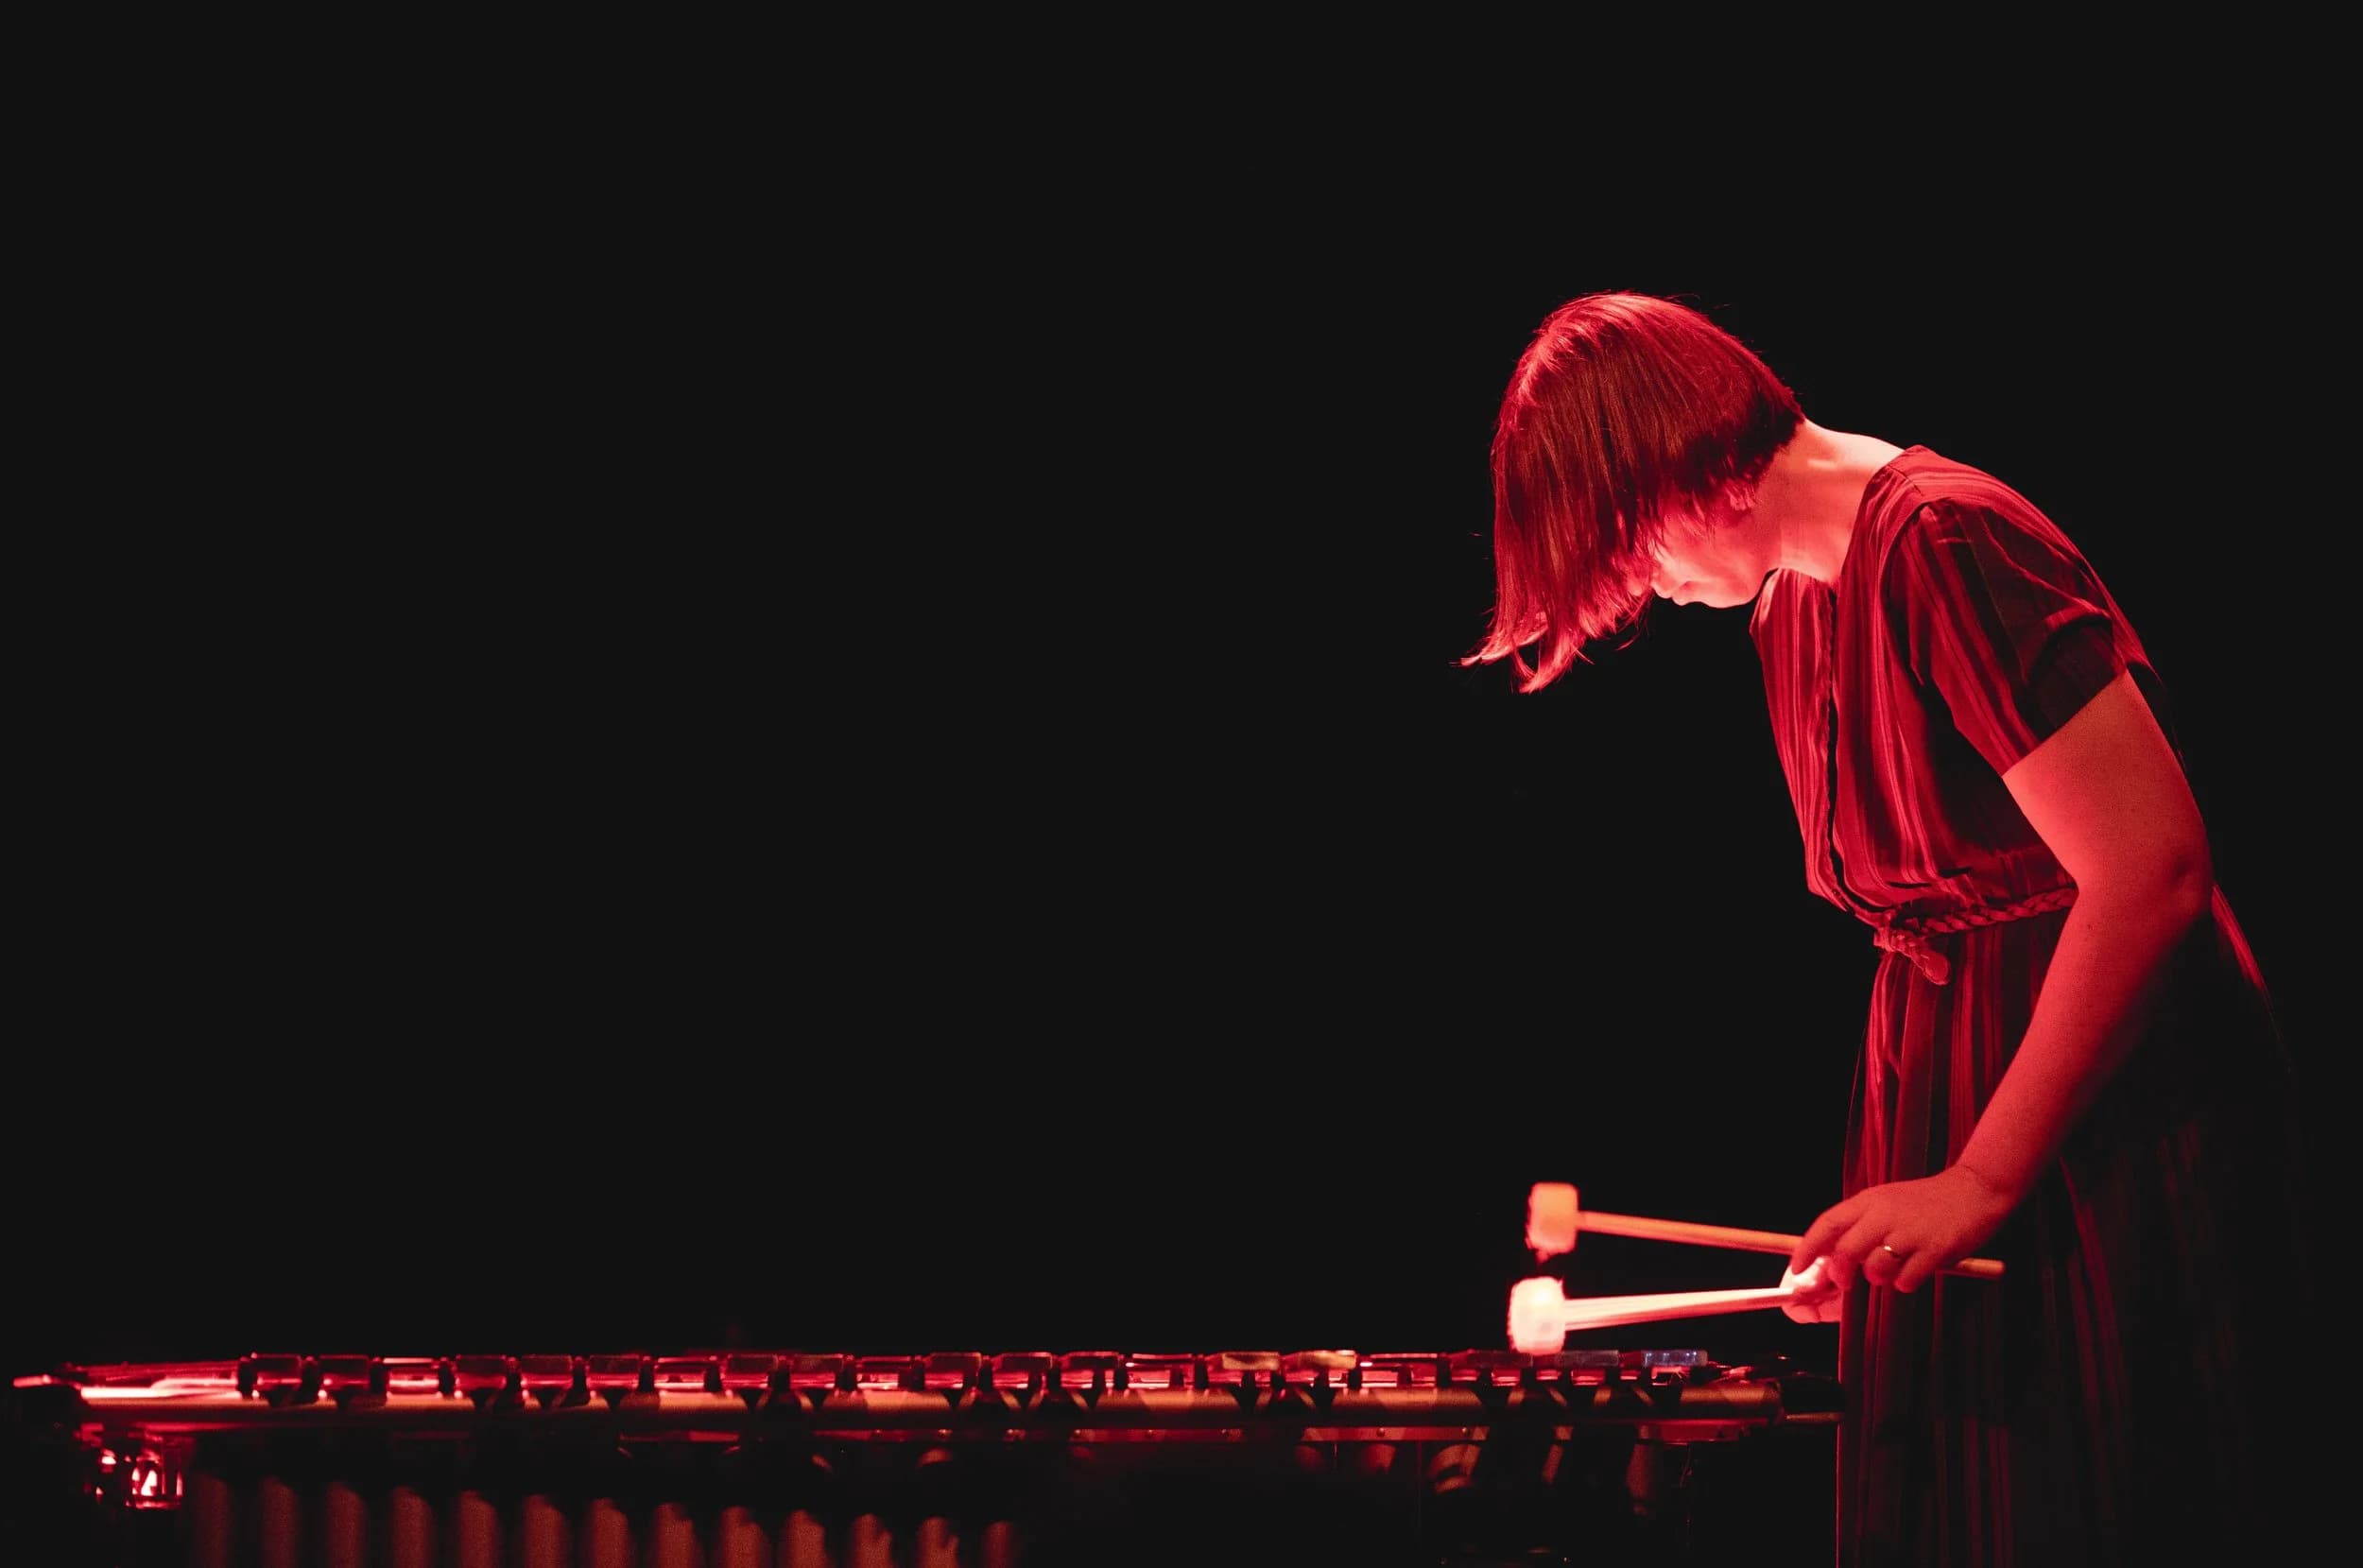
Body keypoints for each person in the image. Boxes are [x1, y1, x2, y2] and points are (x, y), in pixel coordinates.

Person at [1465, 291, 2315, 1565]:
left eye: (1627, 547)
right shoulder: (1795, 602)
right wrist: (1897, 1211)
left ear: (1674, 466)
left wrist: (1981, 1177)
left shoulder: (1947, 542)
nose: (1641, 582)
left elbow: (2153, 868)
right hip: (1961, 1093)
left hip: (2112, 1111)